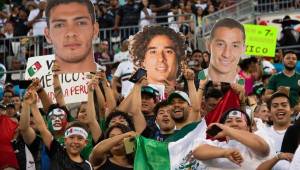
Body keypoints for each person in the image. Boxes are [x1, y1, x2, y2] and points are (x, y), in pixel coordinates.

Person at [193, 108, 271, 169]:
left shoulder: (258, 138)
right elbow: (197, 152)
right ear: (222, 126)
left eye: (239, 120)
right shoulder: (217, 145)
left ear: (248, 127)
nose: (234, 123)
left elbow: (263, 149)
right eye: (229, 121)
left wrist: (229, 130)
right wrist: (224, 153)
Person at [44, 0, 104, 73]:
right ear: (48, 34)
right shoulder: (31, 83)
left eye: (80, 23)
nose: (71, 33)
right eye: (60, 25)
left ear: (95, 30)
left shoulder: (110, 80)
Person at [197, 18, 245, 83]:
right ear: (208, 45)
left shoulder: (244, 85)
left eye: (235, 46)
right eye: (220, 44)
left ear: (243, 49)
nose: (226, 54)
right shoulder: (193, 81)